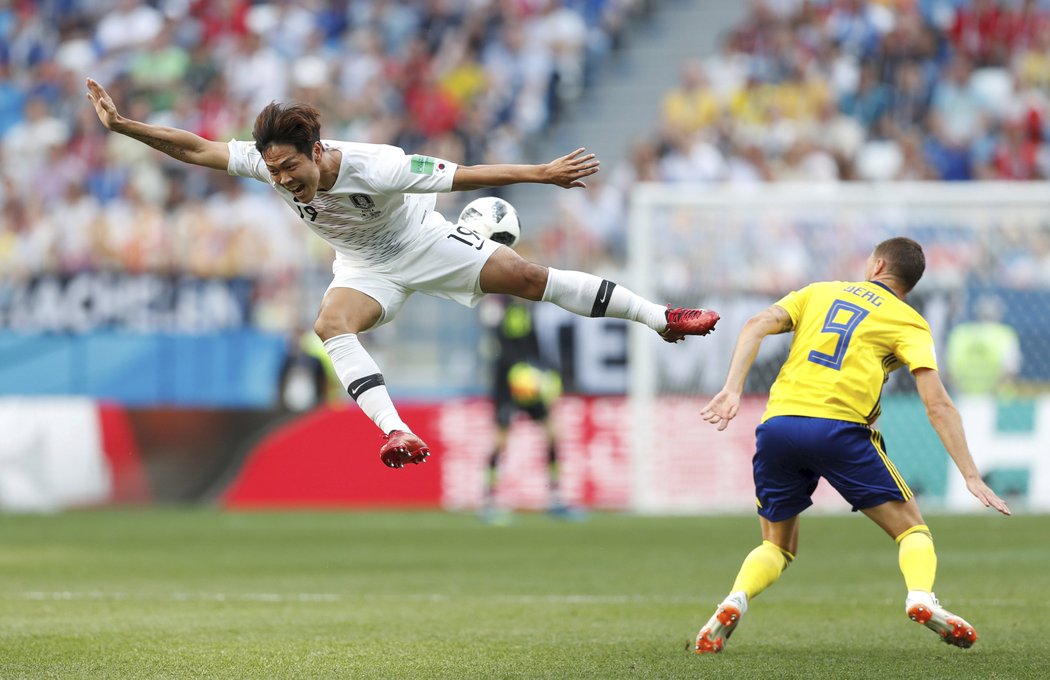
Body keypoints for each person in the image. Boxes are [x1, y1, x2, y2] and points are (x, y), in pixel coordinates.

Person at [85, 78, 720, 469]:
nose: (281, 180)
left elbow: (462, 174)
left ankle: (661, 317)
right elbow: (196, 147)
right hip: (364, 266)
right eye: (273, 171)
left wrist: (540, 174)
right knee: (331, 324)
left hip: (421, 242)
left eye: (289, 169)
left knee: (527, 277)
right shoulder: (266, 161)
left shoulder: (380, 165)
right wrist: (121, 126)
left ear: (318, 151)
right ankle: (396, 432)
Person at [694, 237, 1010, 654]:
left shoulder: (819, 291)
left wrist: (733, 389)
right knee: (912, 529)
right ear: (908, 285)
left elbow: (754, 325)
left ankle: (733, 601)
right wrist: (971, 474)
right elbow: (937, 403)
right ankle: (920, 596)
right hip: (839, 431)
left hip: (779, 426)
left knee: (776, 544)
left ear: (877, 264)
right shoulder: (908, 321)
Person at [479, 295, 577, 523]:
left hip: (529, 383)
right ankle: (489, 501)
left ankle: (555, 498)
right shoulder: (509, 309)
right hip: (507, 384)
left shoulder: (525, 310)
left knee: (552, 432)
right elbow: (504, 347)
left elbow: (532, 347)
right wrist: (519, 371)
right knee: (502, 439)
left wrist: (545, 372)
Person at [945, 293, 1022, 395]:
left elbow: (948, 370)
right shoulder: (1005, 334)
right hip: (997, 397)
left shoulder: (960, 333)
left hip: (963, 394)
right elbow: (1011, 371)